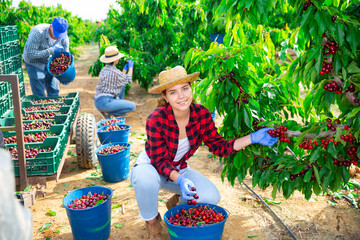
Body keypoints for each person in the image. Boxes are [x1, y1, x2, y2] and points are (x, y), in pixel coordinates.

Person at [130, 66, 278, 239]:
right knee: (144, 180)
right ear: (165, 96)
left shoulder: (202, 114)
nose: (182, 96)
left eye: (185, 88)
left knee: (210, 197)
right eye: (173, 92)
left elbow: (219, 147)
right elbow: (159, 160)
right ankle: (152, 222)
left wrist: (252, 138)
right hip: (151, 166)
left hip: (178, 169)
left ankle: (176, 203)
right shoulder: (156, 119)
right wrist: (181, 179)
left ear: (191, 88)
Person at [23, 17, 69, 98]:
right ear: (51, 26)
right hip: (35, 64)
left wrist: (65, 74)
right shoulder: (38, 32)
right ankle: (41, 109)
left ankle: (53, 109)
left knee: (54, 91)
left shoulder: (63, 37)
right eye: (56, 34)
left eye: (60, 35)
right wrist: (51, 50)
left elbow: (66, 56)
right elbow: (29, 54)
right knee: (39, 93)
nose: (58, 37)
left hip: (49, 64)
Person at [94, 46, 136, 118]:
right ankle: (110, 113)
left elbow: (121, 79)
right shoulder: (115, 72)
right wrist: (131, 67)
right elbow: (128, 79)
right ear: (115, 60)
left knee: (122, 86)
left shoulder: (104, 69)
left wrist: (124, 70)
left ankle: (112, 109)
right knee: (132, 106)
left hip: (98, 101)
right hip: (106, 103)